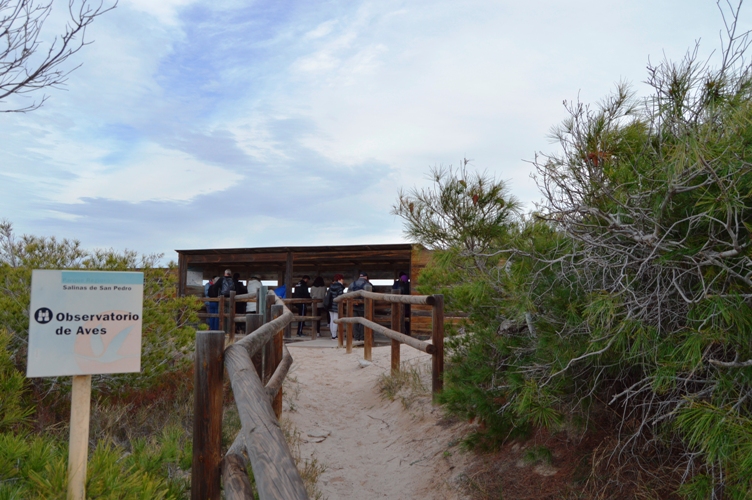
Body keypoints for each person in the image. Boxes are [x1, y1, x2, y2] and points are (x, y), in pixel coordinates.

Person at [349, 271, 372, 341]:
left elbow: (348, 294)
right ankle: (362, 338)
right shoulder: (367, 284)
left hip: (353, 306)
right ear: (366, 277)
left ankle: (356, 338)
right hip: (364, 307)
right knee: (363, 322)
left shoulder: (352, 284)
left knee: (355, 322)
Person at [325, 274, 346, 340]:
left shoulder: (331, 286)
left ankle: (333, 335)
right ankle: (334, 336)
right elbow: (340, 296)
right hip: (337, 305)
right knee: (336, 320)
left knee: (331, 320)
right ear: (340, 279)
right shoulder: (340, 287)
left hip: (330, 304)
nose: (343, 280)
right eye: (342, 279)